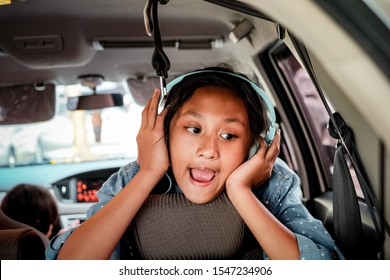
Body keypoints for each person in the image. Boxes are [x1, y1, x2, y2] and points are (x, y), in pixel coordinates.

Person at [47, 65, 343, 260]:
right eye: (193, 129)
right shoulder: (133, 178)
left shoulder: (274, 182)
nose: (208, 150)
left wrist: (241, 191)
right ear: (164, 135)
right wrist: (149, 172)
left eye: (228, 135)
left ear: (252, 148)